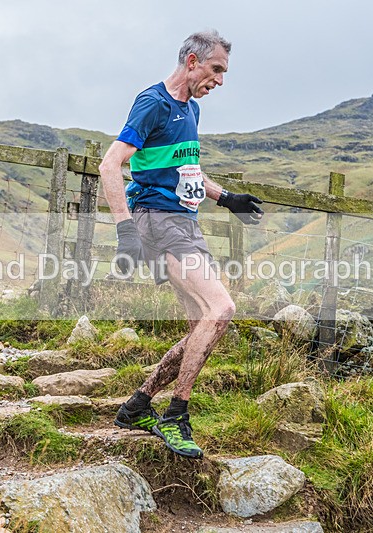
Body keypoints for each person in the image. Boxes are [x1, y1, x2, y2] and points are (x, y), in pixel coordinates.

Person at [99, 30, 264, 459]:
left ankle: (138, 404)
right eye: (216, 70)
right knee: (222, 309)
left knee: (200, 331)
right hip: (159, 223)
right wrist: (125, 230)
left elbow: (187, 169)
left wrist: (225, 198)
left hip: (183, 221)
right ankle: (176, 413)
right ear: (192, 61)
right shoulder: (154, 103)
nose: (220, 81)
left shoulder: (190, 109)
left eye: (223, 73)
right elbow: (109, 164)